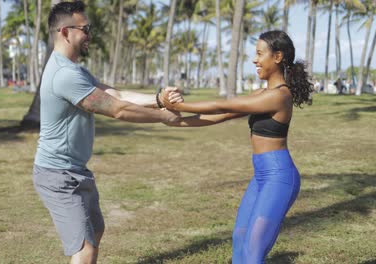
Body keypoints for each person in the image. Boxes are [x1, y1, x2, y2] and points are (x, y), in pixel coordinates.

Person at [32, 2, 182, 264]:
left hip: (76, 170)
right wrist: (163, 117)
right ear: (66, 31)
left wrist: (158, 98)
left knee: (96, 231)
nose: (90, 34)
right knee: (85, 247)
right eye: (85, 29)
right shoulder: (64, 75)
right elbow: (118, 110)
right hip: (58, 176)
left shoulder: (76, 70)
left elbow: (118, 94)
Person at [162, 30, 314, 263]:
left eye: (260, 54)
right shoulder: (261, 94)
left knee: (253, 250)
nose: (255, 59)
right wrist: (176, 121)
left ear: (278, 57)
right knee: (240, 238)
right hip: (262, 175)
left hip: (280, 177)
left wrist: (181, 104)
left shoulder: (280, 96)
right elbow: (222, 114)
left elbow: (222, 103)